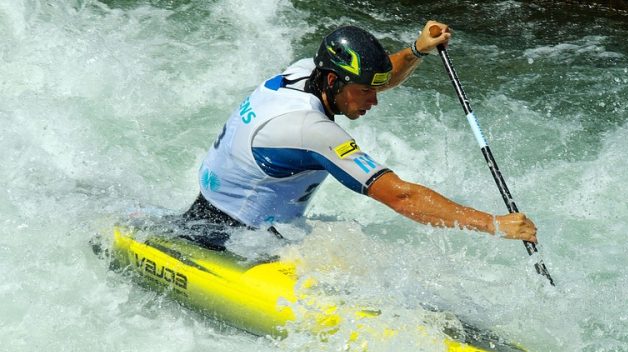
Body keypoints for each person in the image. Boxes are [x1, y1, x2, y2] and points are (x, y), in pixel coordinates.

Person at [183, 20, 537, 249]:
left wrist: (417, 50)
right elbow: (401, 197)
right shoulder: (311, 130)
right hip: (234, 243)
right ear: (333, 81)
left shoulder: (305, 71)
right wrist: (493, 224)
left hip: (210, 213)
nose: (374, 101)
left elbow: (377, 77)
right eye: (366, 92)